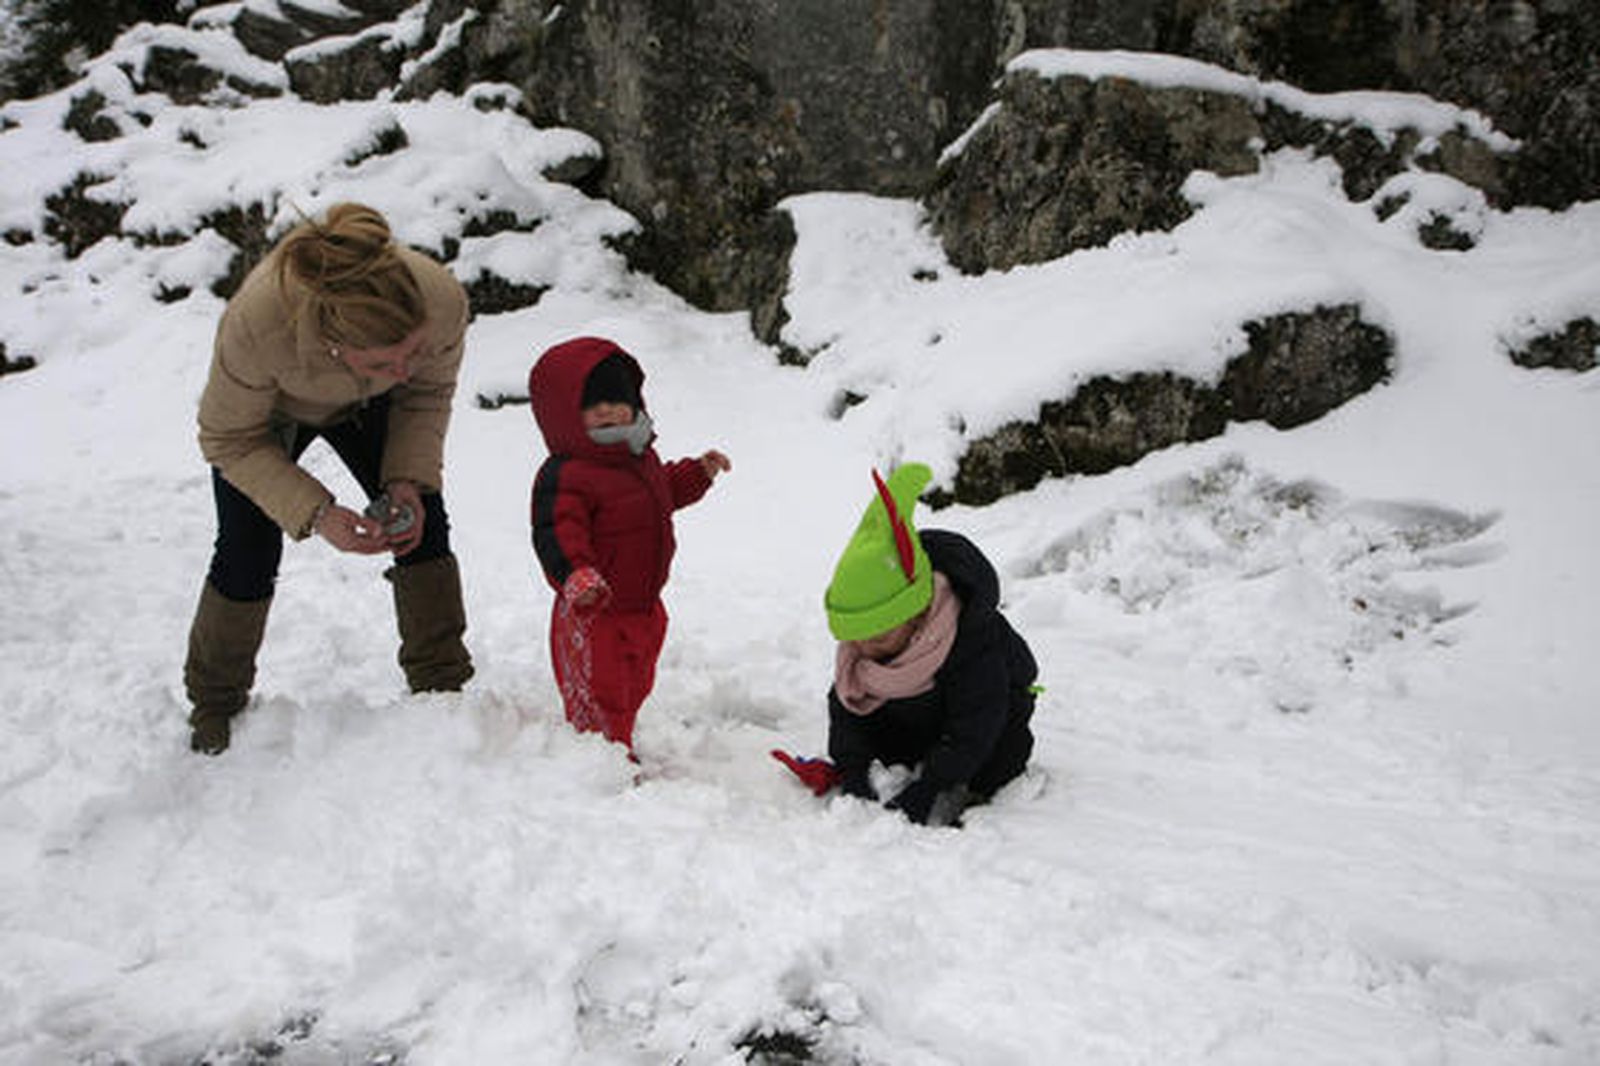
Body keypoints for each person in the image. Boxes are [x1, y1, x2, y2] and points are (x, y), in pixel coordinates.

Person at [183, 202, 475, 755]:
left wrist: (407, 478)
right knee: (247, 547)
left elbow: (424, 392)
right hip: (265, 422)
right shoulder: (257, 324)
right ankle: (215, 703)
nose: (405, 369)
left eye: (412, 352)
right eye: (387, 361)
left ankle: (442, 685)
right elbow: (226, 438)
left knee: (421, 521)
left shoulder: (439, 300)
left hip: (369, 408)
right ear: (335, 347)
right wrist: (316, 513)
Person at [528, 337, 731, 755]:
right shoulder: (568, 474)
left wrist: (699, 473)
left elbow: (664, 492)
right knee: (602, 690)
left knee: (634, 683)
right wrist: (577, 575)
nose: (605, 410)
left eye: (615, 399)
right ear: (565, 413)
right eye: (591, 403)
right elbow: (557, 531)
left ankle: (617, 735)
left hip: (643, 605)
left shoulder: (640, 456)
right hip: (594, 609)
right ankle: (603, 757)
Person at [815, 462, 1038, 825]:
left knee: (998, 763)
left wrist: (931, 786)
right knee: (881, 731)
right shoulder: (872, 642)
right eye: (855, 639)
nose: (866, 648)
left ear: (917, 615)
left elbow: (977, 721)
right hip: (922, 717)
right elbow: (845, 709)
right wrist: (853, 769)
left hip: (991, 719)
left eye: (879, 637)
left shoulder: (970, 638)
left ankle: (973, 784)